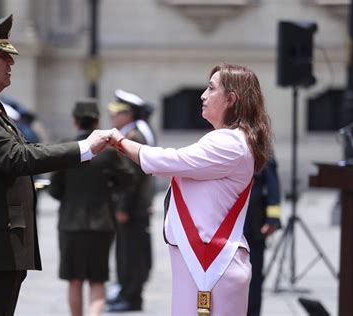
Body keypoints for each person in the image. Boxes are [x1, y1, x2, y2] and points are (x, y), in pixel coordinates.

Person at [0, 14, 112, 316]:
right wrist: (83, 147)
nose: (12, 63)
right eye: (2, 56)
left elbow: (23, 149)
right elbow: (16, 158)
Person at [108, 63, 273, 316]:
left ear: (231, 99)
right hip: (202, 261)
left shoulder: (230, 141)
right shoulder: (229, 138)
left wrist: (116, 140)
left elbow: (166, 161)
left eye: (211, 88)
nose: (203, 95)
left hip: (212, 264)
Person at [49, 99, 134, 316]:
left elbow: (54, 189)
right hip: (101, 222)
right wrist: (110, 187)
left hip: (70, 222)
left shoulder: (65, 147)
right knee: (98, 279)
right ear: (97, 122)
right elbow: (128, 179)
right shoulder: (107, 152)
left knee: (74, 280)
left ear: (75, 121)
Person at [106, 89, 154, 312]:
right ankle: (126, 292)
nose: (113, 117)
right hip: (133, 206)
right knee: (126, 252)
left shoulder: (134, 137)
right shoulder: (131, 134)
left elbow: (132, 179)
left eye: (118, 113)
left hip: (133, 208)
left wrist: (123, 207)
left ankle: (131, 296)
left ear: (129, 114)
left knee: (132, 254)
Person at [244, 157, 281, 316]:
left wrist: (273, 219)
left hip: (253, 223)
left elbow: (273, 186)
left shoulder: (261, 146)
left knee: (253, 277)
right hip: (228, 223)